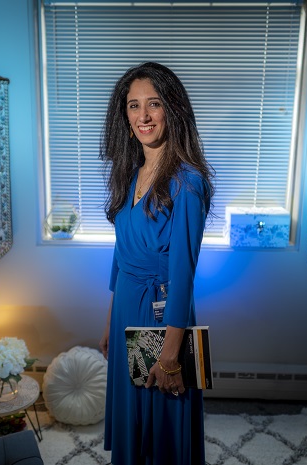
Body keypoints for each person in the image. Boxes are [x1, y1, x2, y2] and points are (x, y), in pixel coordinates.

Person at [98, 62, 214, 465]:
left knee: (161, 423)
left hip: (161, 313)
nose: (143, 116)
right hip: (126, 307)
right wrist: (111, 317)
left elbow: (183, 275)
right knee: (134, 418)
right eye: (133, 106)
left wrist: (170, 355)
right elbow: (121, 253)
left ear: (173, 109)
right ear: (124, 115)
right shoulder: (131, 173)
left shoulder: (186, 182)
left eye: (153, 104)